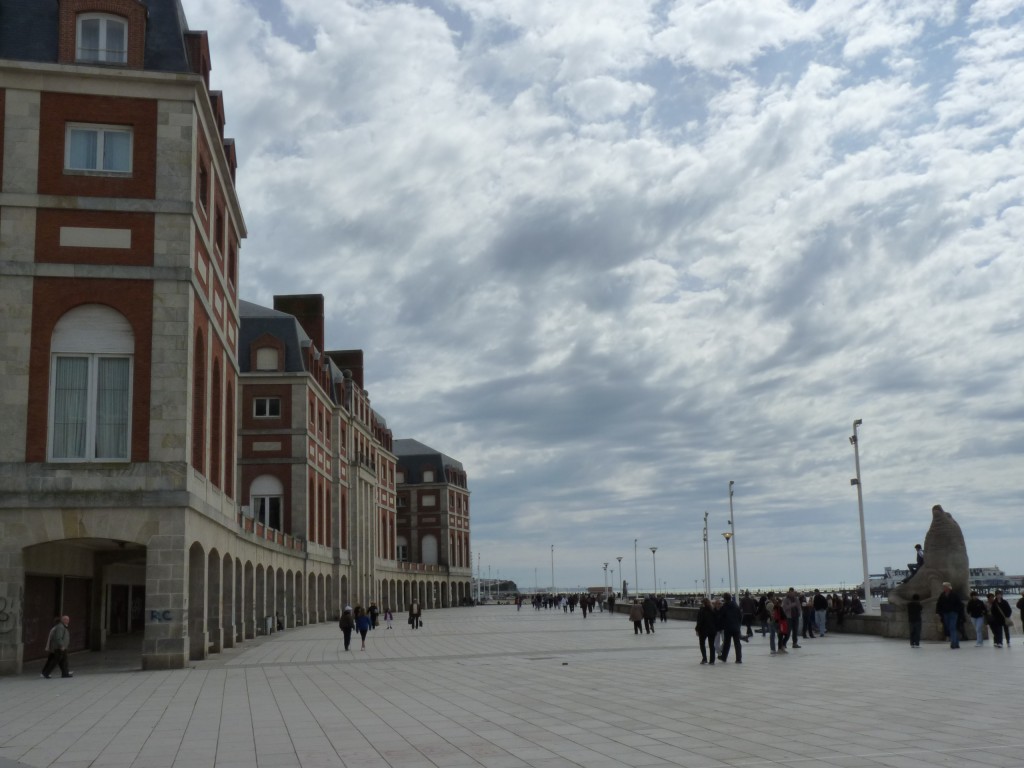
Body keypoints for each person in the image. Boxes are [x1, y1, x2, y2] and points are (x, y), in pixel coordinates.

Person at [717, 593, 743, 664]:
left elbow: (720, 617)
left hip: (728, 627)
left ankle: (724, 657)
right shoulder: (735, 606)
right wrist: (738, 624)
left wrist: (720, 626)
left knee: (727, 643)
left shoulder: (724, 607)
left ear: (725, 599)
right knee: (737, 643)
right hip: (736, 627)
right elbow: (740, 616)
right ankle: (738, 659)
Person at [935, 582, 962, 648]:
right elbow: (939, 604)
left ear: (948, 587)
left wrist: (956, 611)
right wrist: (937, 612)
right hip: (945, 613)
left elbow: (959, 604)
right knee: (950, 627)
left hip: (953, 613)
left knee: (952, 627)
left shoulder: (954, 595)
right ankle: (956, 642)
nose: (944, 588)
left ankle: (953, 643)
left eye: (945, 587)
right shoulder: (942, 595)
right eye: (943, 587)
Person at [695, 598, 718, 664]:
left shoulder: (701, 610)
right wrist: (716, 629)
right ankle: (712, 660)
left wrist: (697, 629)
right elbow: (716, 621)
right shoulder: (713, 610)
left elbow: (700, 621)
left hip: (703, 630)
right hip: (712, 630)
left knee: (702, 644)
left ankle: (704, 658)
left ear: (703, 603)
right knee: (711, 645)